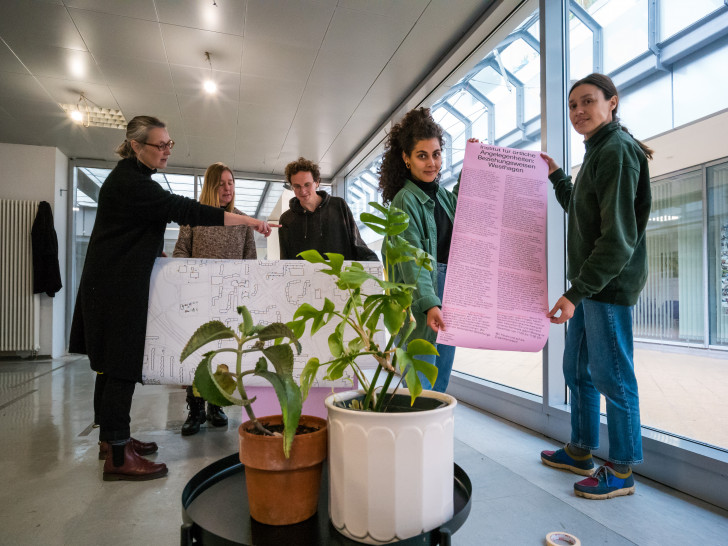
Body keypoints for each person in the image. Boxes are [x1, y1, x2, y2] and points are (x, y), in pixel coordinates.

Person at [69, 116, 273, 481]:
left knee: (113, 365)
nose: (166, 151)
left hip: (113, 280)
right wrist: (245, 219)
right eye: (159, 145)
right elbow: (187, 211)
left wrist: (151, 255)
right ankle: (118, 455)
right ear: (135, 146)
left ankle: (113, 439)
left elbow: (129, 233)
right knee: (120, 367)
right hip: (116, 287)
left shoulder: (132, 179)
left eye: (169, 144)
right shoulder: (132, 183)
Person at [539, 73, 653, 499]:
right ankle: (581, 449)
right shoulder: (598, 152)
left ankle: (622, 469)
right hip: (590, 287)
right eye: (573, 105)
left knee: (613, 376)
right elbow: (583, 213)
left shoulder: (618, 152)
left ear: (612, 103)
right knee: (576, 370)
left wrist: (574, 293)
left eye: (587, 101)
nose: (578, 111)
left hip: (607, 287)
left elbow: (617, 239)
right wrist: (556, 177)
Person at [378, 107, 461, 393]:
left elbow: (471, 203)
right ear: (406, 158)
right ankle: (414, 437)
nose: (431, 163)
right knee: (419, 385)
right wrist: (429, 303)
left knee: (440, 383)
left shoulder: (442, 196)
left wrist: (476, 162)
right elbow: (412, 259)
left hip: (447, 294)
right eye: (422, 155)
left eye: (436, 154)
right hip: (421, 300)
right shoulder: (404, 201)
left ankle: (430, 438)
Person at [173, 162, 257, 436]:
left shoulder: (244, 221)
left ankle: (216, 405)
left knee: (222, 354)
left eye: (231, 182)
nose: (227, 188)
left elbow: (250, 263)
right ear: (210, 186)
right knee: (197, 355)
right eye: (221, 183)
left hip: (229, 302)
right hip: (197, 299)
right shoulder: (193, 218)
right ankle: (195, 408)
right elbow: (180, 253)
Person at [278, 157, 377, 261]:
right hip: (306, 277)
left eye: (307, 184)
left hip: (342, 275)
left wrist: (374, 265)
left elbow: (356, 243)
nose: (303, 191)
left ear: (317, 182)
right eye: (297, 186)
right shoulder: (286, 219)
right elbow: (285, 259)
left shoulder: (338, 205)